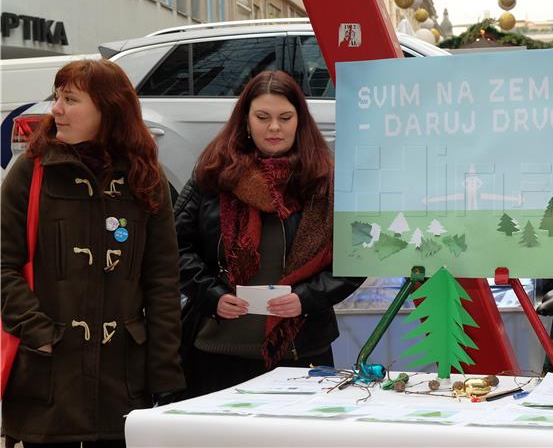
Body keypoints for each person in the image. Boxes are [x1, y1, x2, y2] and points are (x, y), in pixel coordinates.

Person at [1, 59, 185, 447]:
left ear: (108, 109)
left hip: (123, 385)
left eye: (70, 99)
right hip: (48, 382)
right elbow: (3, 265)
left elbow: (163, 284)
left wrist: (166, 379)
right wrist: (38, 330)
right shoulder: (31, 172)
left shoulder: (146, 179)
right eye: (57, 97)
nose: (56, 109)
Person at [175, 70, 364, 397]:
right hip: (216, 352)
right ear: (245, 121)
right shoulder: (212, 176)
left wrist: (306, 298)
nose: (274, 127)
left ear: (299, 121)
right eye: (262, 117)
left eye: (285, 117)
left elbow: (357, 256)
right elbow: (174, 247)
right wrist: (212, 296)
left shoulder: (327, 182)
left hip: (301, 351)